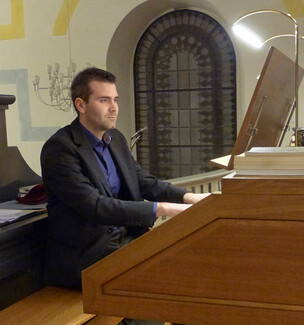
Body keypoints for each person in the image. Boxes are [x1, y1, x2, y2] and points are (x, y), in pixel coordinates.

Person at [41, 67, 209, 290]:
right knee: (166, 282)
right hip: (89, 254)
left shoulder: (115, 139)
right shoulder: (60, 148)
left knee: (195, 263)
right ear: (81, 105)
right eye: (104, 100)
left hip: (126, 240)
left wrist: (189, 197)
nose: (114, 108)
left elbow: (142, 181)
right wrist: (167, 209)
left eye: (115, 100)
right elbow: (95, 206)